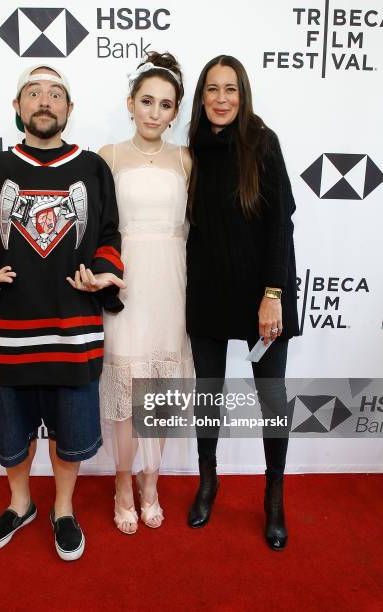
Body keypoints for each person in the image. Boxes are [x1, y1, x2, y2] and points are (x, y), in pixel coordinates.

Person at [0, 65, 124, 561]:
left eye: (55, 93)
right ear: (17, 107)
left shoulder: (93, 169)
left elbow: (109, 236)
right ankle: (20, 503)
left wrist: (103, 273)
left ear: (70, 109)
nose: (44, 100)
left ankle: (62, 508)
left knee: (70, 437)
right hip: (6, 333)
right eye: (33, 92)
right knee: (12, 434)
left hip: (74, 333)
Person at [73, 52, 193, 534]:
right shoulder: (109, 155)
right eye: (146, 101)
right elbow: (94, 227)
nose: (154, 112)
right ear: (130, 103)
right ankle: (123, 481)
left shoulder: (187, 159)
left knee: (159, 392)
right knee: (125, 389)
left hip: (172, 280)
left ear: (175, 112)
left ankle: (151, 481)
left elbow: (197, 228)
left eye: (165, 105)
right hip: (125, 281)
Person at [185, 55, 299, 550]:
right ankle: (208, 481)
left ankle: (274, 494)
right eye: (212, 89)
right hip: (208, 292)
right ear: (201, 95)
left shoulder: (262, 141)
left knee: (271, 399)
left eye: (230, 89)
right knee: (207, 394)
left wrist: (272, 295)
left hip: (262, 297)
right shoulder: (194, 146)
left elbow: (280, 225)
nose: (221, 98)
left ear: (243, 93)